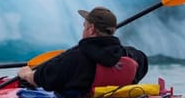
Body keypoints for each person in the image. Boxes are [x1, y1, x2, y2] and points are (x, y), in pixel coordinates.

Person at [17, 6, 148, 98]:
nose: (83, 30)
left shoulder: (74, 58)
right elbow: (143, 64)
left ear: (91, 29)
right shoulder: (133, 56)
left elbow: (42, 79)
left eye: (84, 26)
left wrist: (27, 74)